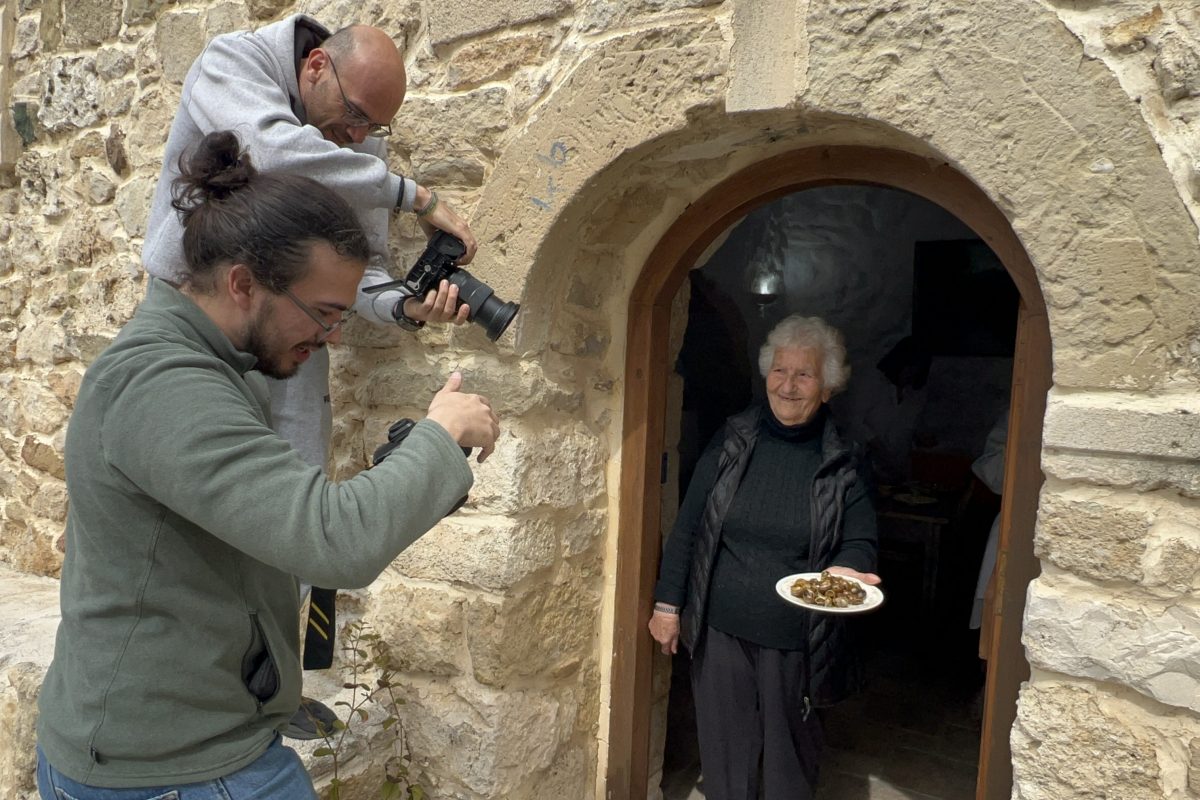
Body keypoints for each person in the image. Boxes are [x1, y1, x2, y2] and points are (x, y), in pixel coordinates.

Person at [35, 132, 500, 800]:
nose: (334, 336)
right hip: (174, 769)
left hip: (182, 745)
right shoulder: (165, 384)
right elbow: (332, 541)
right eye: (325, 313)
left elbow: (270, 519)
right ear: (243, 283)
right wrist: (441, 434)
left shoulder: (210, 367)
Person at [141, 14, 479, 736]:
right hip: (200, 320)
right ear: (316, 66)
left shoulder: (355, 146)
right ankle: (194, 681)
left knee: (296, 499)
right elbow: (273, 148)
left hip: (296, 337)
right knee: (193, 511)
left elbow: (361, 274)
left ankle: (274, 682)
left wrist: (409, 308)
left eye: (372, 130)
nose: (358, 139)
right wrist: (414, 195)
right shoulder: (232, 63)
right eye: (354, 117)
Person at [648, 314, 880, 800]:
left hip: (797, 638)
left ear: (828, 387)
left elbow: (860, 540)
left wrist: (846, 567)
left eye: (805, 374)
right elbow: (690, 526)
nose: (788, 385)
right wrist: (668, 606)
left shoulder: (843, 461)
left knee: (788, 763)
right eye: (780, 370)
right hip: (720, 630)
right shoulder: (732, 440)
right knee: (726, 757)